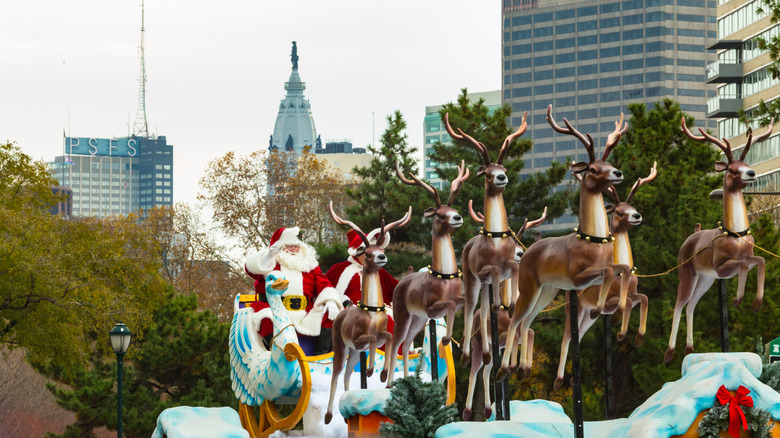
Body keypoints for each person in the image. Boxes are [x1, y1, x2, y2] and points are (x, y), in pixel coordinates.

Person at [245, 227, 343, 356]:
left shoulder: (309, 264)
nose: (293, 250)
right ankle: (277, 355)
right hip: (276, 309)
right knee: (266, 318)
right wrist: (269, 255)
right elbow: (253, 271)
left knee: (332, 315)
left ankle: (320, 357)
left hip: (305, 312)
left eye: (296, 246)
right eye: (289, 246)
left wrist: (330, 299)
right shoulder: (271, 263)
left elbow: (323, 282)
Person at [325, 229, 400, 352]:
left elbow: (396, 289)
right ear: (357, 253)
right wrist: (335, 300)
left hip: (378, 310)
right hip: (350, 311)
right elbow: (325, 288)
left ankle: (393, 358)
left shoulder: (379, 271)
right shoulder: (340, 268)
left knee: (390, 323)